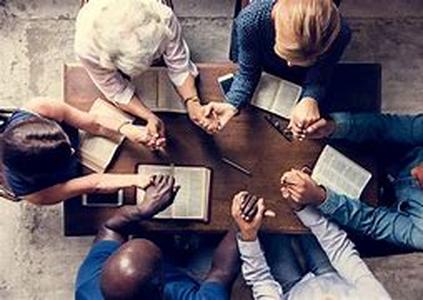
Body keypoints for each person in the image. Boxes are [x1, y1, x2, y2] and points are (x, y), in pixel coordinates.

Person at [74, 0, 219, 146]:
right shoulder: (85, 47)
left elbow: (179, 66)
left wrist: (192, 101)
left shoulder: (163, 17)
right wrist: (149, 116)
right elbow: (117, 90)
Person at [75, 174, 240, 300]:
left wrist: (141, 210)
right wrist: (241, 224)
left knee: (149, 229)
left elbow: (110, 227)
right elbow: (222, 271)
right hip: (189, 271)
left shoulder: (88, 287)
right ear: (160, 286)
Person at [204, 0, 351, 137]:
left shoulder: (340, 33)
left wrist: (310, 98)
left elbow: (322, 72)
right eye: (286, 54)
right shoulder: (250, 21)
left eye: (308, 59)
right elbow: (248, 72)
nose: (289, 65)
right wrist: (232, 104)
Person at [280, 112, 423, 250]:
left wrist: (321, 197)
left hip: (366, 204)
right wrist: (334, 127)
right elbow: (385, 127)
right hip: (370, 146)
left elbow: (372, 221)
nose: (414, 172)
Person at [231, 191, 391, 299]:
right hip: (331, 273)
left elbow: (260, 280)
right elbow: (340, 250)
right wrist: (301, 208)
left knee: (270, 219)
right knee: (300, 201)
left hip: (291, 289)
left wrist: (248, 236)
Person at [0, 98, 158, 205]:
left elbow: (94, 123)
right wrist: (137, 180)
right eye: (68, 153)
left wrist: (126, 129)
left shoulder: (39, 108)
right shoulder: (36, 194)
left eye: (65, 142)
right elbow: (94, 183)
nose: (72, 149)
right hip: (67, 177)